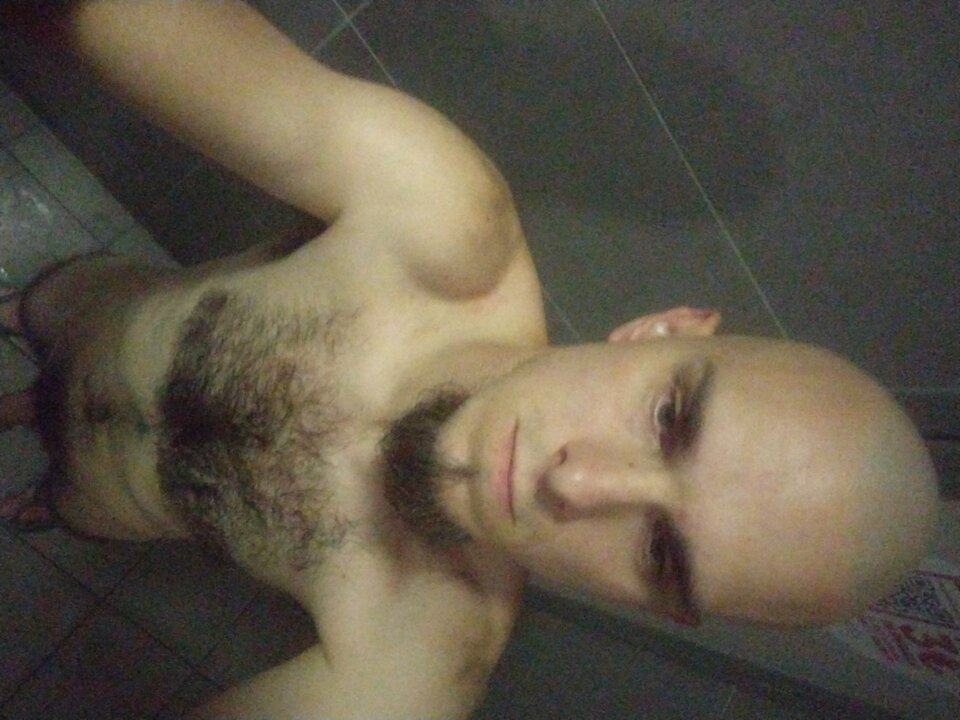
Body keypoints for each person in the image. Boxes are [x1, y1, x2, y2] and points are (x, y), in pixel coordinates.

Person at [0, 1, 939, 718]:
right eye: (668, 418)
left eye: (660, 553)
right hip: (86, 308)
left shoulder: (415, 667)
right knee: (33, 312)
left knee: (65, 506)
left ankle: (38, 503)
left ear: (659, 608)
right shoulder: (436, 218)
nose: (577, 483)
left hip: (108, 506)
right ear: (663, 330)